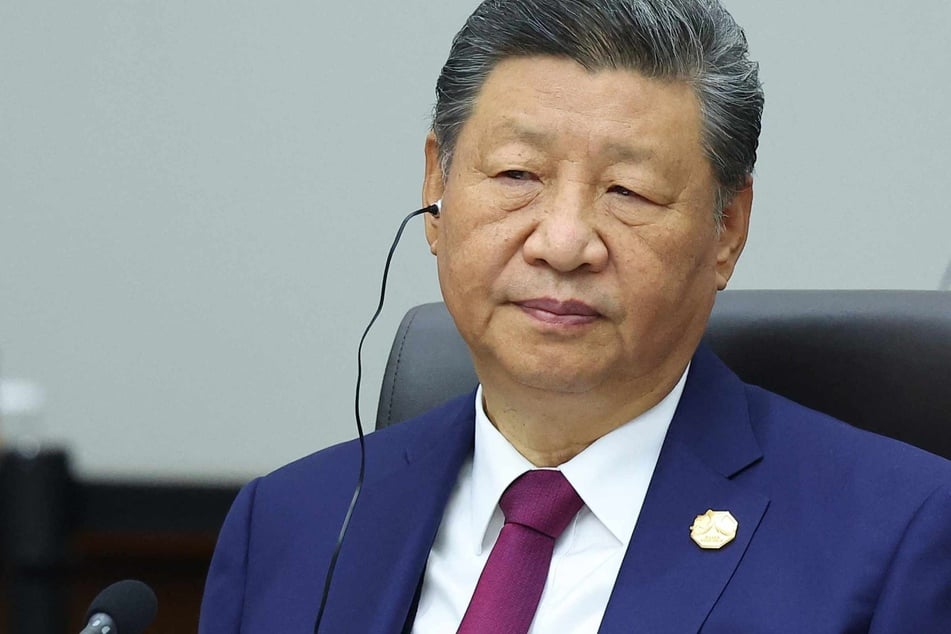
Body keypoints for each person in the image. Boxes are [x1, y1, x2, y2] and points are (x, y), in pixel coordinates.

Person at [199, 1, 951, 632]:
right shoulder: (290, 524)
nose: (562, 243)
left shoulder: (897, 540)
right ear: (437, 186)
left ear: (726, 230)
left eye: (628, 191)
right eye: (517, 175)